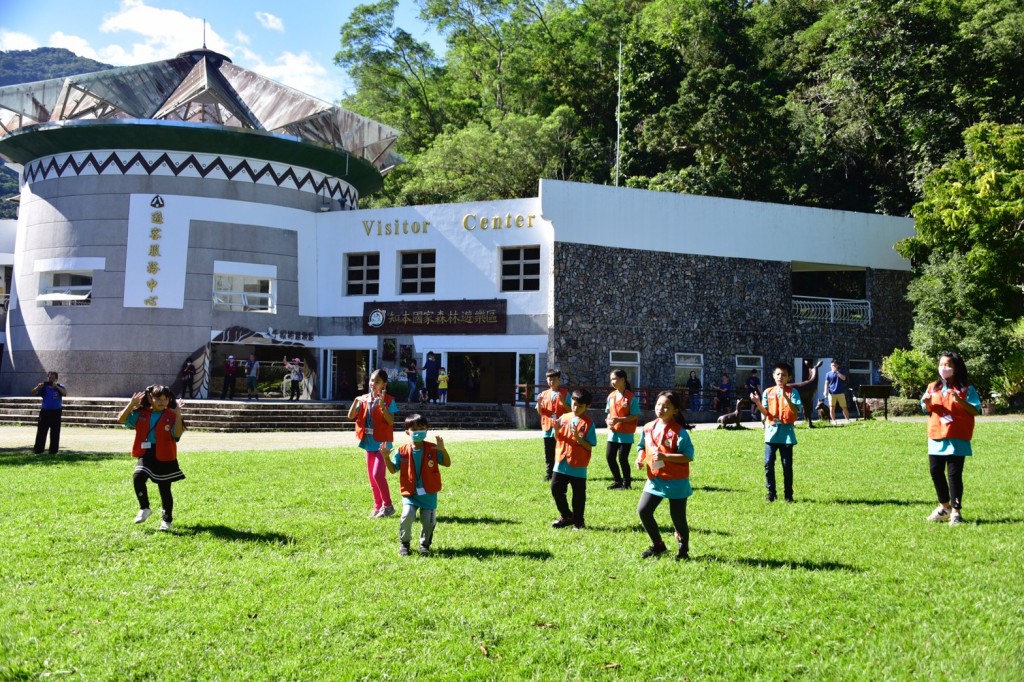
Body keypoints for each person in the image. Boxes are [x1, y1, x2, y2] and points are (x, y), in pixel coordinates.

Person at [920, 352, 981, 526]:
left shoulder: (967, 389)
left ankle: (956, 512)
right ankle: (944, 507)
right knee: (935, 472)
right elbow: (926, 409)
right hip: (936, 435)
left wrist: (959, 400)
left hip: (957, 437)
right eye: (941, 364)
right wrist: (926, 402)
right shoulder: (933, 387)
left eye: (948, 365)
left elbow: (976, 410)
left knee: (954, 475)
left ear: (956, 368)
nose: (943, 368)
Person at [635, 391, 695, 559]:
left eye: (666, 407)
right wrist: (639, 458)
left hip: (676, 481)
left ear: (675, 410)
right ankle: (658, 545)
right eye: (658, 405)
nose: (660, 409)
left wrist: (665, 456)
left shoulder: (679, 432)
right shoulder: (648, 427)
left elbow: (688, 456)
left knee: (678, 519)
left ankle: (683, 550)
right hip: (655, 478)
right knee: (643, 511)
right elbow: (642, 446)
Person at [117, 385, 186, 531]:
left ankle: (167, 520)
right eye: (158, 398)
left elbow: (177, 435)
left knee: (164, 489)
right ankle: (144, 508)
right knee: (138, 476)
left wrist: (178, 414)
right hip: (146, 452)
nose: (162, 402)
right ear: (150, 398)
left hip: (165, 454)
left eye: (165, 399)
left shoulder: (172, 414)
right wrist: (131, 404)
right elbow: (121, 420)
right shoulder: (142, 413)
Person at [382, 414, 452, 556]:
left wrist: (442, 450)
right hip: (410, 493)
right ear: (407, 432)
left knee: (428, 521)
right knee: (407, 516)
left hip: (429, 493)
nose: (418, 432)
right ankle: (405, 544)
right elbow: (393, 470)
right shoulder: (401, 451)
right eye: (414, 429)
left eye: (421, 428)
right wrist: (386, 457)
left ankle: (425, 544)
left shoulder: (433, 448)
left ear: (427, 429)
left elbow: (447, 463)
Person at [347, 368, 398, 518]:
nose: (373, 384)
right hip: (369, 443)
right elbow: (350, 416)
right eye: (371, 380)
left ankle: (388, 506)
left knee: (378, 475)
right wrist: (356, 401)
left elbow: (391, 421)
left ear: (384, 385)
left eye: (377, 381)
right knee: (372, 478)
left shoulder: (389, 400)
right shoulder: (364, 399)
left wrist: (382, 406)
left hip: (382, 445)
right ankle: (377, 506)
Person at [750, 362, 802, 502]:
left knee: (787, 465)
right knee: (768, 463)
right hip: (771, 434)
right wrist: (757, 402)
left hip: (786, 436)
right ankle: (771, 492)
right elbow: (766, 413)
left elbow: (796, 410)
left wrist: (786, 397)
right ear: (773, 375)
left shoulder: (793, 392)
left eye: (784, 375)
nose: (780, 377)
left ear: (789, 377)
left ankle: (788, 495)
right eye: (778, 374)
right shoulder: (768, 392)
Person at [550, 389, 596, 530]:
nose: (575, 408)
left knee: (578, 495)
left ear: (587, 406)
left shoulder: (589, 423)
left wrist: (578, 438)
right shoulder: (564, 417)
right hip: (561, 461)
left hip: (578, 464)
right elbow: (557, 438)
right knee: (555, 489)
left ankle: (579, 521)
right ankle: (566, 515)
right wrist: (556, 429)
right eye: (574, 404)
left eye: (580, 406)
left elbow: (589, 445)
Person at [605, 369, 640, 489]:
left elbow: (635, 415)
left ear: (623, 380)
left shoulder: (631, 397)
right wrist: (608, 421)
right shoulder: (611, 396)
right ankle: (617, 481)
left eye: (614, 379)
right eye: (611, 380)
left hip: (626, 434)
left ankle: (627, 484)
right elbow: (608, 413)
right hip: (613, 433)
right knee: (610, 457)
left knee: (622, 459)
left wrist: (620, 420)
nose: (612, 382)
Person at [536, 368, 571, 481]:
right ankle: (549, 474)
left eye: (554, 379)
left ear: (559, 380)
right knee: (549, 452)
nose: (552, 382)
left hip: (561, 427)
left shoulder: (565, 393)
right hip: (547, 427)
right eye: (549, 379)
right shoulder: (543, 394)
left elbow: (571, 410)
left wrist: (563, 401)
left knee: (561, 450)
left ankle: (562, 473)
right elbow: (540, 411)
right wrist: (539, 402)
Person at [31, 371, 66, 454]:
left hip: (56, 413)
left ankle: (53, 450)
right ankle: (38, 449)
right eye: (50, 378)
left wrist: (56, 387)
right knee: (41, 431)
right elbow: (33, 392)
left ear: (56, 379)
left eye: (53, 378)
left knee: (55, 432)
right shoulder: (44, 387)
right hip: (45, 412)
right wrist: (38, 387)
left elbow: (65, 393)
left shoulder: (60, 386)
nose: (51, 380)